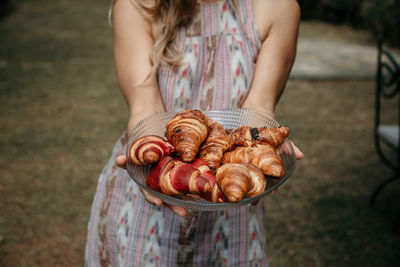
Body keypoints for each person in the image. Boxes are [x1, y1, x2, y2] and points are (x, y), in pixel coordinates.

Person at [85, 0, 304, 266]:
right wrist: (153, 162)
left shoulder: (278, 7)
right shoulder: (138, 5)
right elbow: (145, 107)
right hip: (147, 214)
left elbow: (259, 106)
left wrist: (262, 146)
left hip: (231, 203)